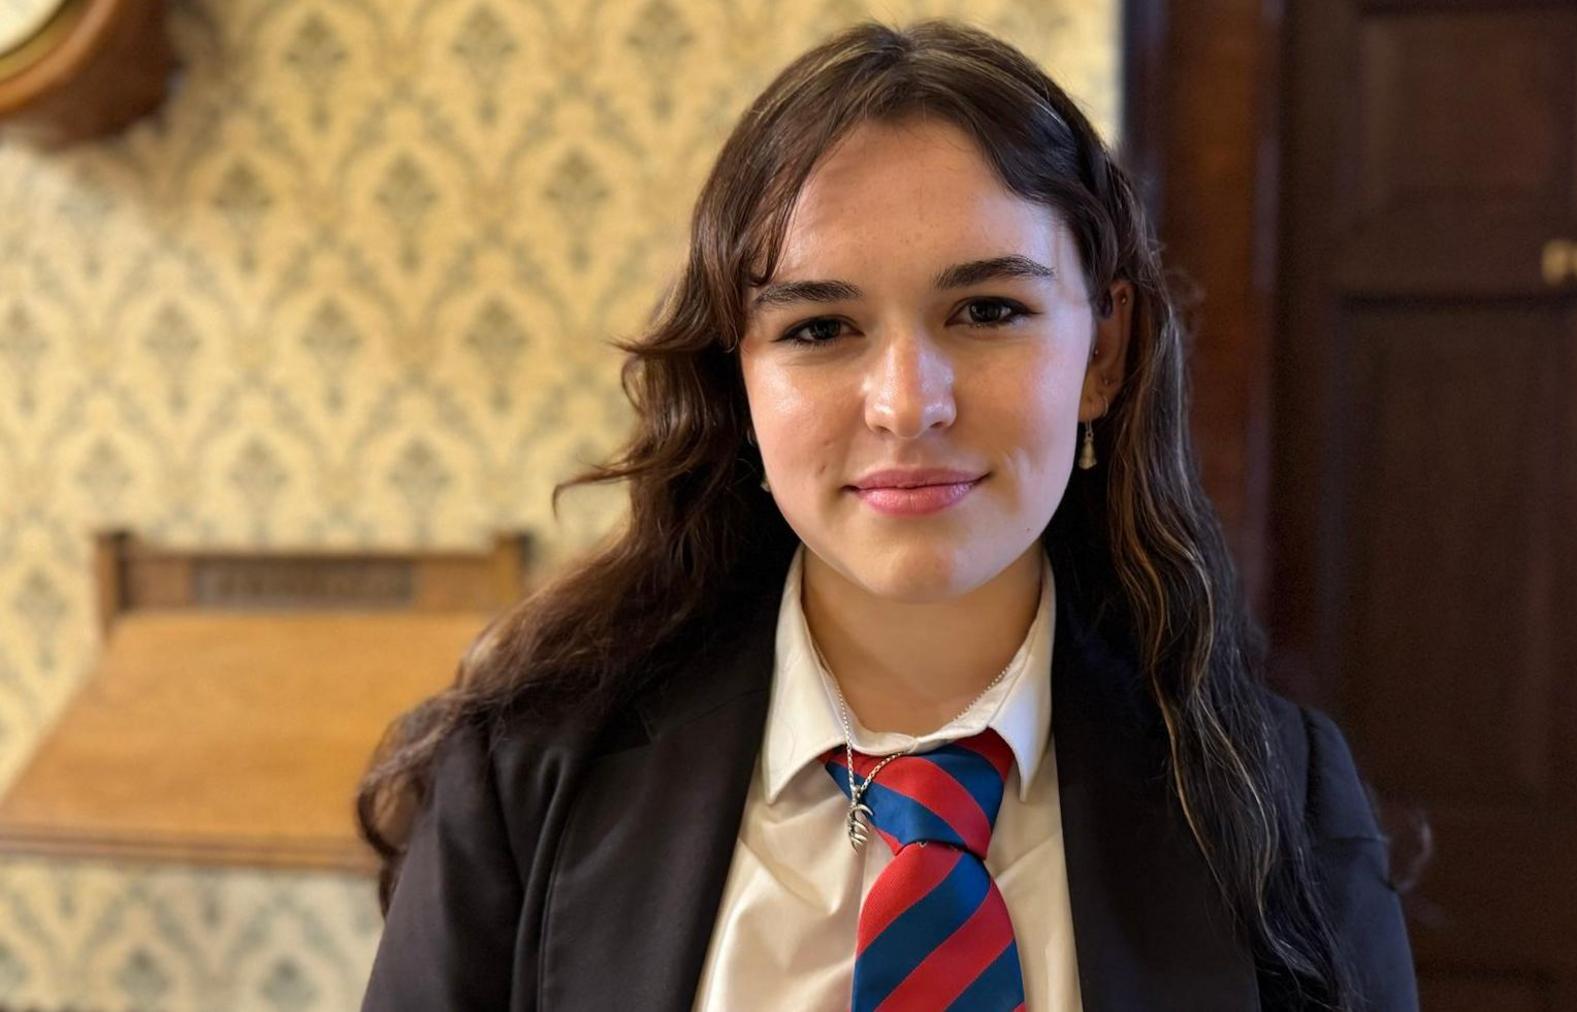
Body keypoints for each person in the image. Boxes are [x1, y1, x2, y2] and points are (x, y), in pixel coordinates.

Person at [356, 18, 1417, 1012]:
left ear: (1104, 351)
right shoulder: (522, 779)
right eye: (821, 327)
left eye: (989, 311)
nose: (908, 403)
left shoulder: (1280, 803)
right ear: (738, 379)